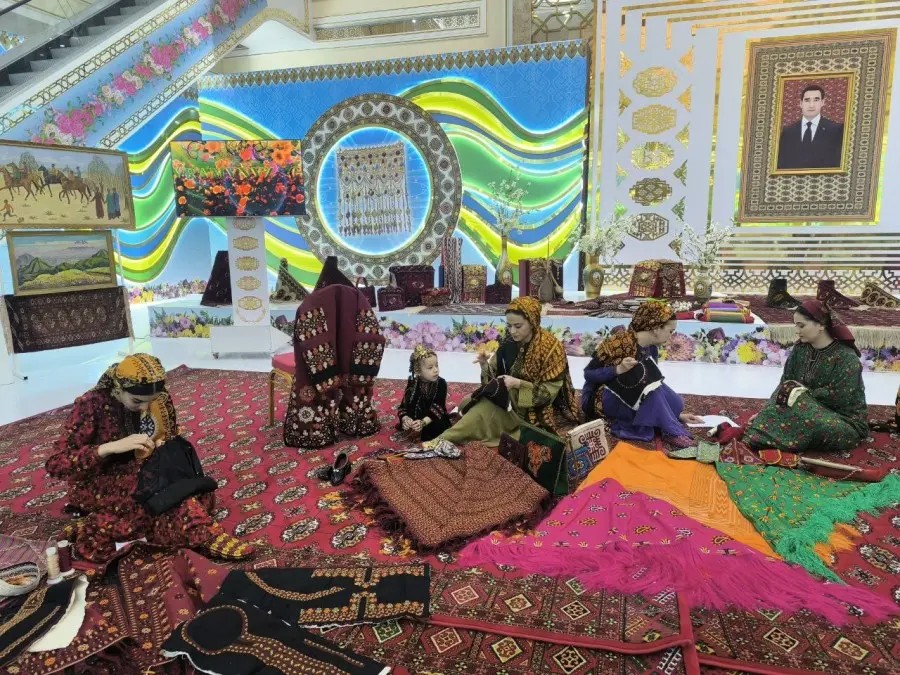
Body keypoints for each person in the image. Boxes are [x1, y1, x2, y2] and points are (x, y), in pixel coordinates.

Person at [45, 354, 253, 563]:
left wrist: (161, 443)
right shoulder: (91, 405)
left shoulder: (157, 397)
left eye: (150, 401)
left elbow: (167, 431)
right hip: (96, 481)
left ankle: (107, 522)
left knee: (196, 492)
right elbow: (56, 464)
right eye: (137, 401)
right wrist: (109, 448)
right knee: (156, 496)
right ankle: (203, 534)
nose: (145, 408)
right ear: (118, 389)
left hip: (142, 468)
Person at [438, 296, 579, 446]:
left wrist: (518, 384)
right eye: (509, 326)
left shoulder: (551, 348)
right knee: (467, 403)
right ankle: (480, 423)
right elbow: (492, 380)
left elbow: (547, 394)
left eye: (518, 326)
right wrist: (485, 365)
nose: (512, 331)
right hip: (508, 397)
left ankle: (443, 439)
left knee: (482, 411)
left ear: (532, 322)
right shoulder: (510, 342)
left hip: (532, 406)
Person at [736, 300, 867, 453]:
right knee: (787, 396)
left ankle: (762, 436)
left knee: (801, 415)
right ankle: (764, 434)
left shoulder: (846, 358)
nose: (797, 331)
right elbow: (784, 385)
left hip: (841, 421)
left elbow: (840, 398)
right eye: (796, 326)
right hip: (801, 412)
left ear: (821, 325)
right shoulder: (800, 350)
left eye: (801, 326)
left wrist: (799, 395)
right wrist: (766, 410)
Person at [582, 300, 704, 447]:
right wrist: (617, 369)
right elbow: (589, 374)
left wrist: (677, 415)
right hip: (600, 398)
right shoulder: (619, 342)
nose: (671, 336)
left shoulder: (652, 349)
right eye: (670, 331)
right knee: (640, 375)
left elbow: (652, 386)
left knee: (676, 403)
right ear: (656, 328)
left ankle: (667, 419)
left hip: (630, 395)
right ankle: (671, 431)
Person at [283, 282, 386, 449]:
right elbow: (374, 334)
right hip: (350, 364)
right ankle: (352, 422)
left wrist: (326, 371)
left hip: (318, 366)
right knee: (352, 381)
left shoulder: (311, 302)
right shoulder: (358, 298)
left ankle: (315, 432)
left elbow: (306, 339)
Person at [776, 84, 845, 171]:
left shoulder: (836, 130)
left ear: (823, 102)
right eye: (807, 100)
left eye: (816, 100)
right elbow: (781, 164)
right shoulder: (788, 132)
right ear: (801, 103)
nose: (811, 105)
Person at [397, 346, 452, 442]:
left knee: (435, 429)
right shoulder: (413, 383)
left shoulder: (441, 383)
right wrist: (405, 419)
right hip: (415, 420)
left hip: (432, 419)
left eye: (437, 365)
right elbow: (404, 406)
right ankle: (414, 427)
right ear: (418, 371)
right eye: (430, 368)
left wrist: (423, 422)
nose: (436, 370)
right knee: (406, 423)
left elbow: (438, 407)